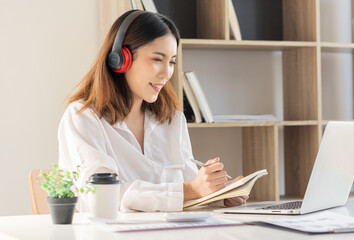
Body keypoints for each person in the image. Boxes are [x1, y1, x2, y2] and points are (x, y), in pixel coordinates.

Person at [58, 10, 248, 212]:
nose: (166, 74)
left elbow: (191, 193)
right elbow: (102, 195)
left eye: (172, 62)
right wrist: (191, 189)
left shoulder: (173, 120)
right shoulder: (82, 117)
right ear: (121, 59)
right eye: (158, 59)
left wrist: (219, 193)